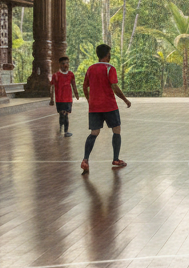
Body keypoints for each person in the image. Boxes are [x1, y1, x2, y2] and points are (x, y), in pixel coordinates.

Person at [80, 43, 131, 174]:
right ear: (108, 55)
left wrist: (89, 100)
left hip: (94, 107)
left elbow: (85, 87)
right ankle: (115, 159)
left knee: (94, 133)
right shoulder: (110, 68)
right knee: (116, 130)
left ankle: (85, 159)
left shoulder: (90, 69)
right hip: (109, 106)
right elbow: (114, 87)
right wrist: (125, 99)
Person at [48, 55, 79, 136]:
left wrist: (76, 93)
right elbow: (52, 87)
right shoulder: (56, 75)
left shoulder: (71, 74)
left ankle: (64, 130)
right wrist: (51, 99)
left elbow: (73, 84)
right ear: (60, 65)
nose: (66, 65)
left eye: (67, 63)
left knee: (65, 114)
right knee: (62, 114)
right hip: (59, 99)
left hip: (68, 99)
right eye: (63, 63)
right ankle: (62, 129)